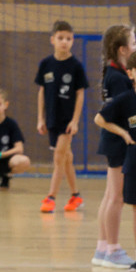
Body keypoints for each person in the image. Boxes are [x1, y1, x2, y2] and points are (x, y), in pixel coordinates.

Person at [95, 48, 136, 272]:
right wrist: (123, 133)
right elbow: (99, 118)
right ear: (130, 73)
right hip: (134, 162)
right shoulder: (124, 100)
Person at [93, 24, 136, 269]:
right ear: (122, 49)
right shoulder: (119, 79)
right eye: (134, 43)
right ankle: (112, 249)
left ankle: (102, 247)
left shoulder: (113, 73)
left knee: (110, 195)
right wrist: (125, 133)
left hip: (113, 144)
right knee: (116, 198)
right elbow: (110, 116)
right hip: (118, 145)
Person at [35, 20, 88, 213]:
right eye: (60, 38)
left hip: (67, 121)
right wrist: (40, 118)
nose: (64, 42)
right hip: (51, 119)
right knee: (66, 159)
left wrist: (75, 121)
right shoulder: (46, 64)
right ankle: (76, 196)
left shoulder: (75, 66)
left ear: (72, 41)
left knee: (59, 158)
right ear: (52, 40)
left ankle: (51, 198)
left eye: (68, 38)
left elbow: (81, 93)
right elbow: (42, 92)